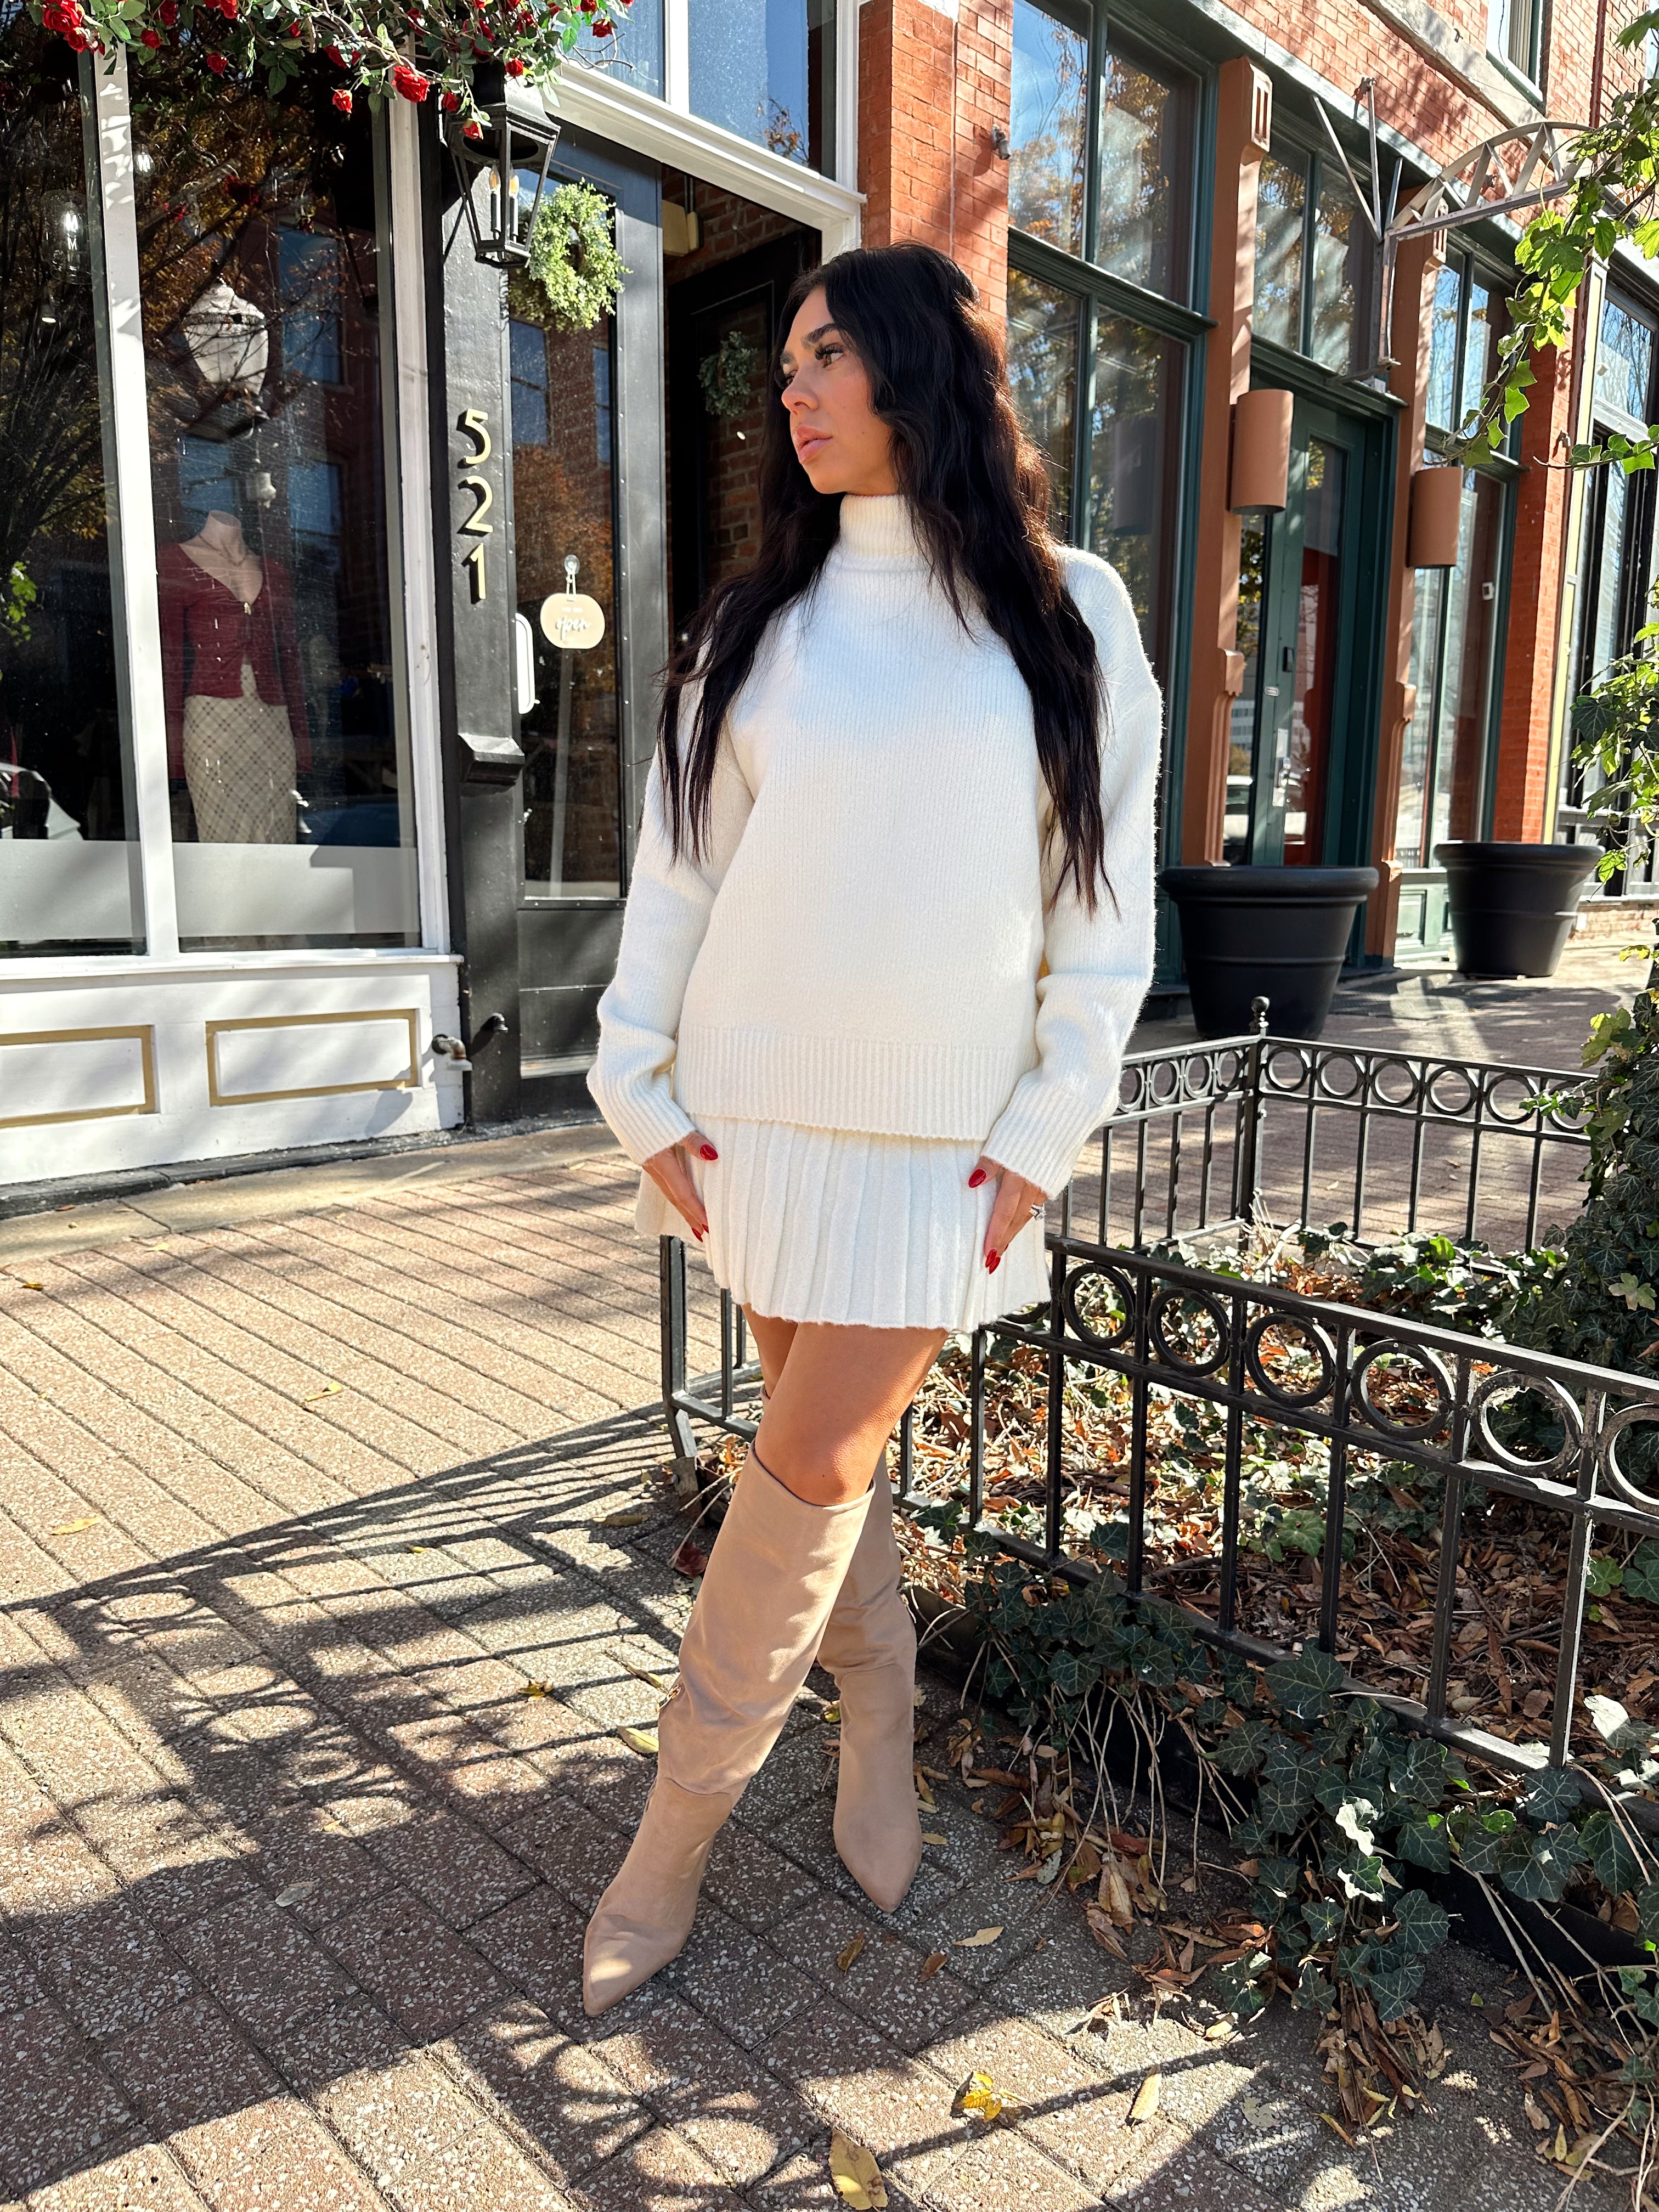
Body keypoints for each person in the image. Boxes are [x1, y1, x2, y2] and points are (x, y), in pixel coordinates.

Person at [582, 240, 1160, 2015]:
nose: (795, 389)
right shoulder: (758, 624)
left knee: (815, 1459)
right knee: (811, 1463)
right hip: (752, 1121)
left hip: (942, 1149)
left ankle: (675, 1829)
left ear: (922, 369)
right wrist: (635, 1083)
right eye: (787, 365)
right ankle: (881, 1710)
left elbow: (1102, 912)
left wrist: (1045, 1130)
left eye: (827, 353)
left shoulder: (1070, 613)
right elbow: (680, 878)